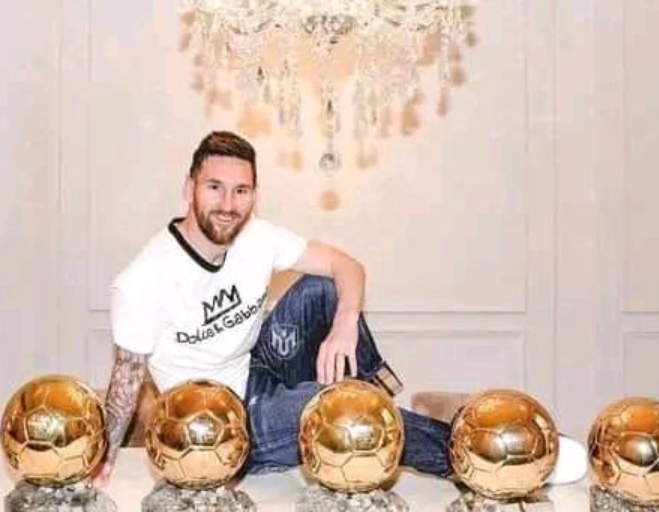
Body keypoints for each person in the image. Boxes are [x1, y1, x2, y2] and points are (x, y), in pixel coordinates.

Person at [98, 131, 451, 482]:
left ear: (254, 195)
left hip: (257, 367)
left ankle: (373, 400)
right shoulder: (143, 279)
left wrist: (345, 321)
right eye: (215, 187)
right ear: (189, 189)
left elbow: (347, 265)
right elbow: (125, 382)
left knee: (323, 287)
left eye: (241, 191)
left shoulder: (255, 235)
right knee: (329, 405)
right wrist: (103, 459)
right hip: (227, 422)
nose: (228, 205)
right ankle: (458, 452)